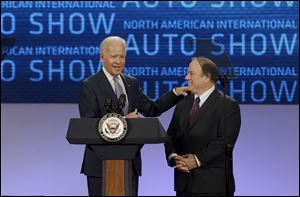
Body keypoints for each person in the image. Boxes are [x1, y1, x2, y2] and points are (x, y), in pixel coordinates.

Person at [78, 36, 187, 196]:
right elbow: (90, 125)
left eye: (122, 56)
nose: (118, 61)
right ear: (102, 57)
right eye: (113, 56)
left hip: (129, 162)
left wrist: (175, 93)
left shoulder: (131, 83)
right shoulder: (90, 85)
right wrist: (123, 122)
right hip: (99, 164)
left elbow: (152, 109)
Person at [164, 57, 241, 196]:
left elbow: (224, 141)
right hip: (184, 185)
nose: (186, 77)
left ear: (206, 77)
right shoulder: (183, 103)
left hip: (212, 186)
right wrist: (174, 157)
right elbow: (170, 135)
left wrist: (197, 160)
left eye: (191, 73)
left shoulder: (227, 105)